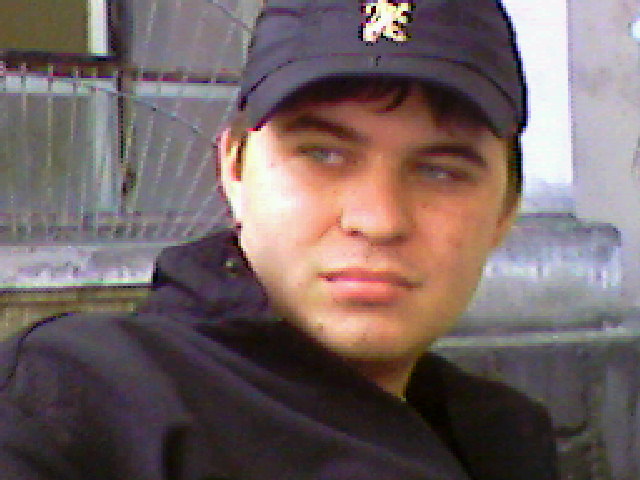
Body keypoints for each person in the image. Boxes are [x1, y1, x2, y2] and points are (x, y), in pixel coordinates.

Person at [0, 0, 560, 479]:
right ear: (233, 170)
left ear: (505, 210)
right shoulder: (76, 399)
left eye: (440, 171)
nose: (378, 219)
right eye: (323, 155)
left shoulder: (503, 436)